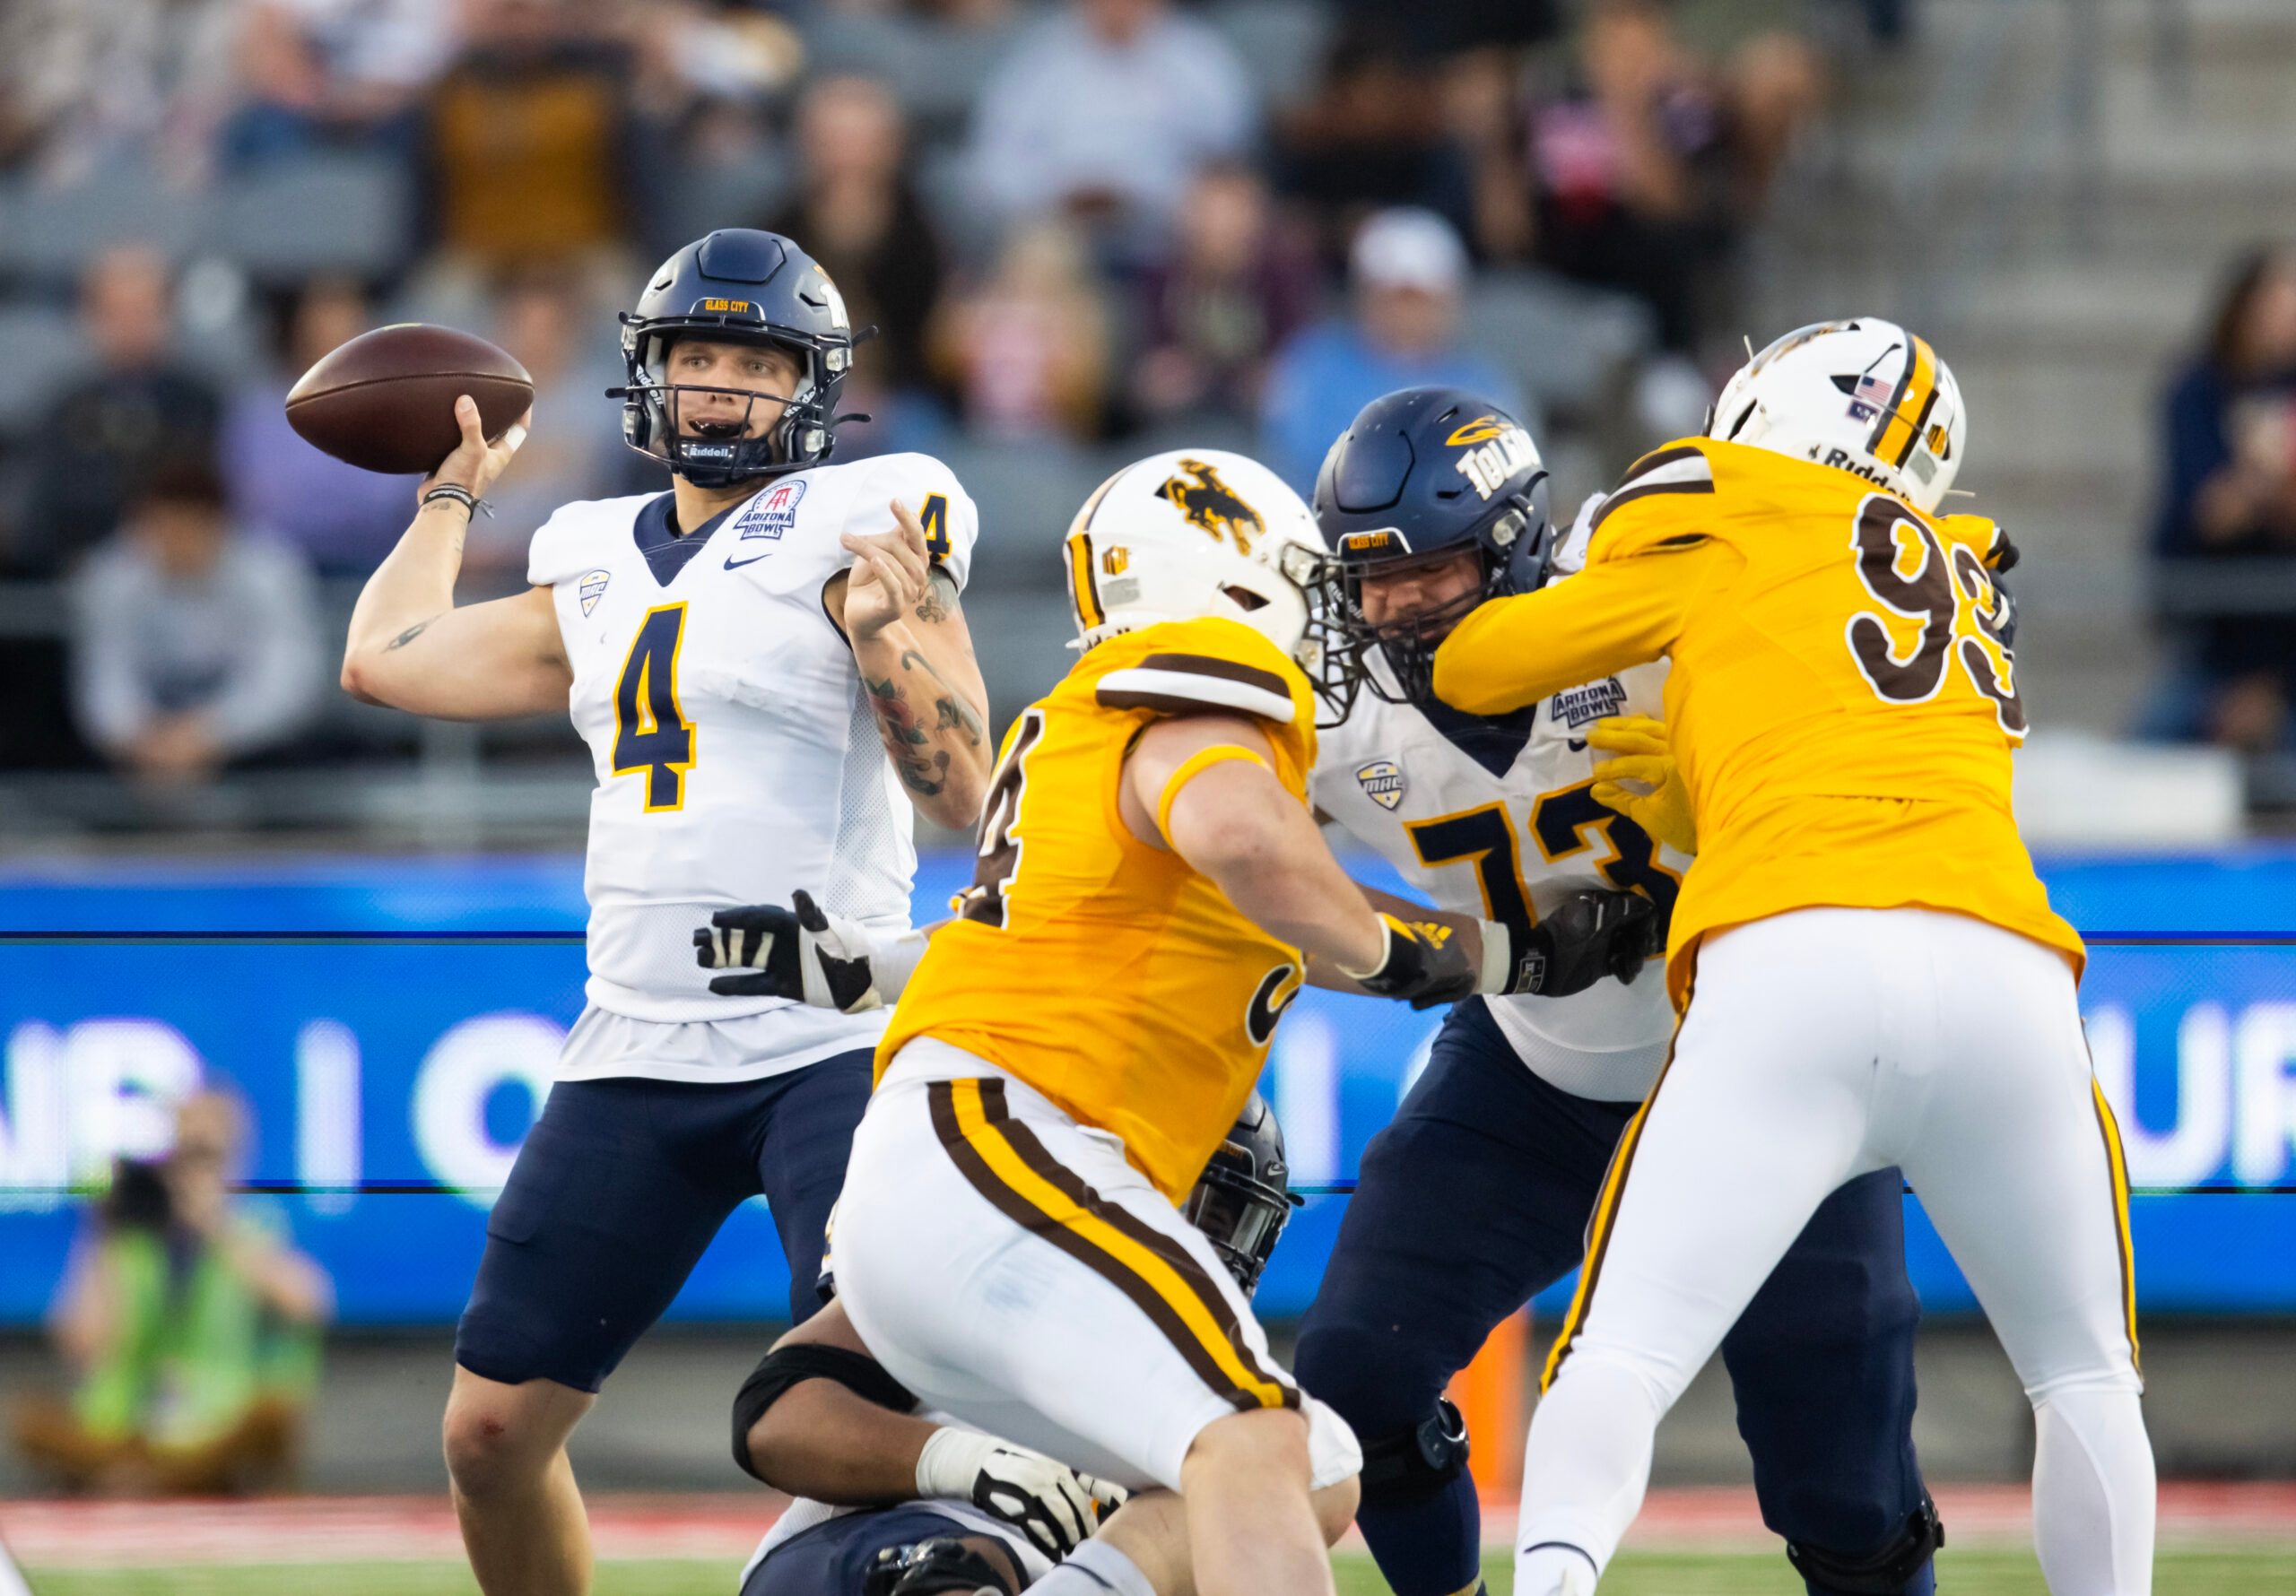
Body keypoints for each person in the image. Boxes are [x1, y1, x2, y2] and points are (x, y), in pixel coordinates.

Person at [699, 447, 1655, 1596]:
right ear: (1240, 579)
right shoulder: (1195, 664)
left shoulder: (1092, 723)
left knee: (1313, 1465)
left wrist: (1506, 950)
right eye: (1313, 577)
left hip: (949, 1171)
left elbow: (1248, 905)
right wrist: (1396, 951)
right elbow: (1250, 843)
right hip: (1014, 1133)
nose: (1338, 612)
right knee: (1251, 1438)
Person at [1428, 319, 2155, 1593]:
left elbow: (1483, 665)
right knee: (2089, 1378)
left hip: (1797, 954)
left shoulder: (1728, 501)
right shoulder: (1965, 564)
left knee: (1620, 1358)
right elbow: (1828, 729)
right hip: (2009, 974)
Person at [337, 227, 996, 1596]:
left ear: (808, 386)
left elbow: (961, 786)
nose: (720, 387)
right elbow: (384, 661)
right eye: (697, 354)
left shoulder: (869, 510)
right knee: (491, 1436)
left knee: (863, 1406)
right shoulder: (585, 551)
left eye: (755, 362)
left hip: (831, 1037)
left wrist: (885, 639)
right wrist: (450, 500)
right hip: (636, 1041)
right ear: (650, 372)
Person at [1292, 386, 1942, 1596]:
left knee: (1848, 1492)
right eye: (1365, 583)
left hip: (1760, 1072)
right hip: (1533, 1075)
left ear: (1516, 550)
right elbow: (1243, 848)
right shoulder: (1336, 711)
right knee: (1350, 1381)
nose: (1386, 615)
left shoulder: (1653, 599)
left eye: (1424, 577)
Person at [732, 1098, 1316, 1596]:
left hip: (1051, 1575)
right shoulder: (985, 1264)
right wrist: (966, 1463)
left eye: (1228, 1221)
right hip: (874, 1552)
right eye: (1192, 1207)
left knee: (1287, 1493)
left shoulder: (1227, 1378)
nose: (1204, 1244)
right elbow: (775, 1417)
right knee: (961, 1572)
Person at [13, 1089, 332, 1496]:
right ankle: (144, 1477)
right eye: (183, 1157)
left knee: (271, 1418)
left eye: (205, 1156)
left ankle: (150, 1481)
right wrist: (100, 1229)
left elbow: (308, 1303)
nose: (191, 1173)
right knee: (32, 1422)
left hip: (215, 1426)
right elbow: (79, 1340)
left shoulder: (255, 1224)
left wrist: (216, 1225)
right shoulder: (133, 1237)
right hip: (129, 1425)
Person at [72, 455, 326, 788]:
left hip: (250, 752)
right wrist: (138, 736)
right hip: (141, 757)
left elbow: (286, 680)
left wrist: (210, 734)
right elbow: (105, 676)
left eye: (188, 528)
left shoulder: (272, 572)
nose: (174, 543)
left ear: (218, 523)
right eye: (162, 528)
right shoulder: (110, 578)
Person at [1257, 209, 1526, 494]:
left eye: (1420, 298)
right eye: (1394, 297)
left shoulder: (1483, 386)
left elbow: (1511, 478)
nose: (1406, 313)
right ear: (1364, 295)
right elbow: (1289, 467)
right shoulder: (1313, 366)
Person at [2146, 246, 2296, 751]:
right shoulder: (2197, 390)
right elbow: (2208, 515)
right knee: (2145, 759)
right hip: (2215, 652)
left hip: (2285, 664)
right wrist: (2262, 482)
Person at [963, 0, 1257, 248]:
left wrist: (1144, 195)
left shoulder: (1201, 61)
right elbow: (994, 167)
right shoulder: (1036, 62)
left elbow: (1228, 166)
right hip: (1058, 238)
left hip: (1170, 241)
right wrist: (1057, 193)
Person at [17, 246, 224, 576]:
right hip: (81, 574)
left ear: (168, 313)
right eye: (117, 311)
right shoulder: (65, 408)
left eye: (143, 309)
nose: (131, 324)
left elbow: (211, 497)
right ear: (92, 316)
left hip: (189, 569)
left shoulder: (201, 402)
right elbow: (45, 509)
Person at [222, 276, 418, 577]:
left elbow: (390, 499)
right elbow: (261, 500)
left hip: (376, 560)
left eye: (346, 321)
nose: (334, 333)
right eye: (322, 321)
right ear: (299, 329)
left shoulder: (396, 406)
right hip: (280, 566)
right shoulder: (260, 407)